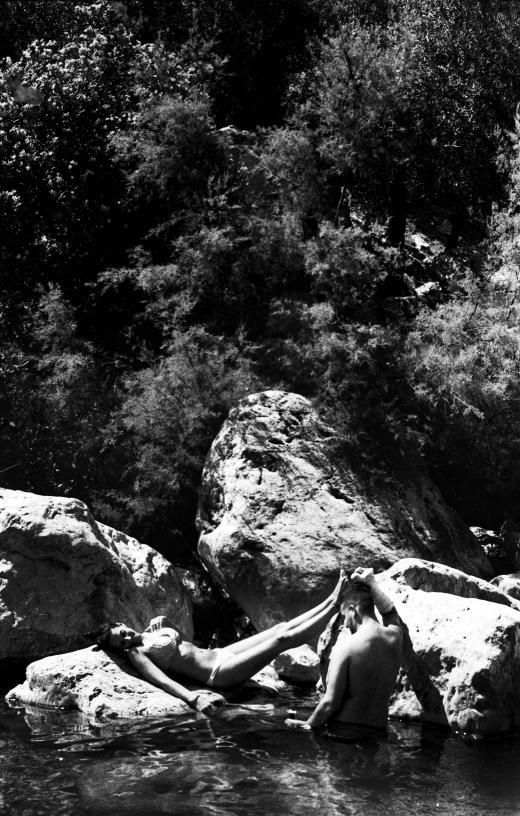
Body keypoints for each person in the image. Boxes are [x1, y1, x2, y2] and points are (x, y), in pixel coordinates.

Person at [86, 571, 348, 714]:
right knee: (282, 640)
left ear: (122, 624)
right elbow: (162, 680)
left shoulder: (150, 630)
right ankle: (336, 605)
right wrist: (193, 699)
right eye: (122, 643)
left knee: (278, 628)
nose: (128, 639)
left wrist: (167, 623)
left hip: (220, 652)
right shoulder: (137, 653)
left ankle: (329, 601)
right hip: (218, 674)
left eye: (124, 633)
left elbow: (188, 644)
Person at [285, 567, 403, 738]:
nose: (346, 625)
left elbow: (329, 704)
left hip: (343, 734)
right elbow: (390, 612)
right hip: (378, 734)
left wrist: (305, 726)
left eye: (344, 616)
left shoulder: (346, 648)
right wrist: (372, 584)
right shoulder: (395, 637)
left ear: (352, 609)